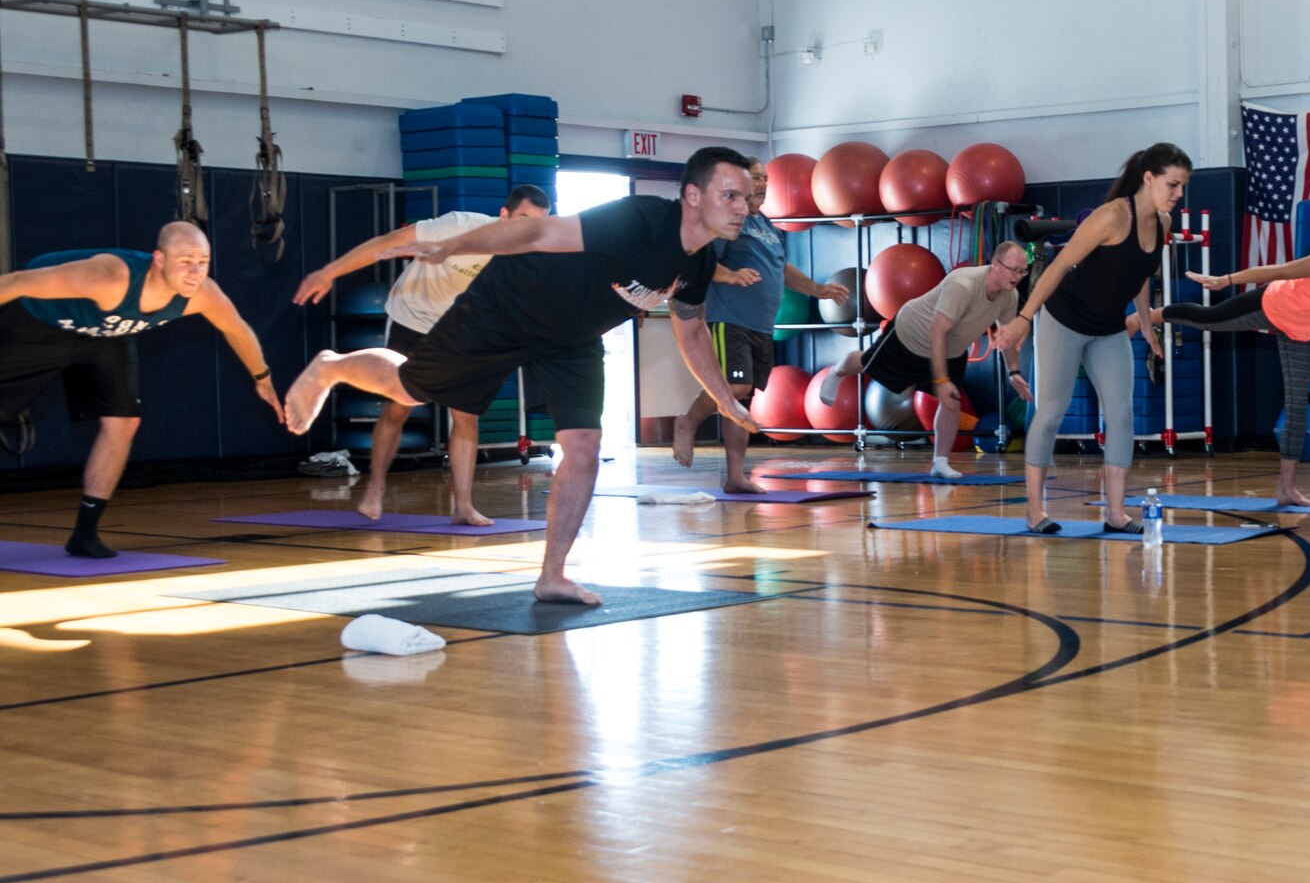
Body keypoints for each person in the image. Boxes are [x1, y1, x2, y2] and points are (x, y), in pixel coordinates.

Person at [282, 147, 760, 605]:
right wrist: (451, 246)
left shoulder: (697, 264)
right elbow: (535, 236)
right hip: (506, 309)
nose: (743, 207)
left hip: (573, 340)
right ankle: (330, 366)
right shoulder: (639, 220)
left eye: (745, 197)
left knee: (584, 449)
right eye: (730, 196)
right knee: (409, 387)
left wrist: (724, 400)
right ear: (693, 196)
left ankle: (552, 576)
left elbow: (692, 332)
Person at [0, 222, 284, 557]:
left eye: (203, 262)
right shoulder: (109, 278)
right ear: (159, 260)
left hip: (107, 337)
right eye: (185, 261)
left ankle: (85, 534)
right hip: (39, 323)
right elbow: (15, 282)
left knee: (123, 422)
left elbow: (237, 329)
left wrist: (262, 378)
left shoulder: (202, 294)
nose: (195, 272)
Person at [291, 184, 551, 523]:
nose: (526, 229)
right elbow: (387, 243)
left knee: (466, 416)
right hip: (412, 316)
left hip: (460, 329)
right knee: (399, 406)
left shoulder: (526, 256)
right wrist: (329, 272)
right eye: (523, 219)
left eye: (536, 223)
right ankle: (375, 489)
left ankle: (463, 506)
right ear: (504, 215)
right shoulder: (460, 225)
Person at [992, 142, 1189, 533]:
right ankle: (1035, 511)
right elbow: (1059, 265)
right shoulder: (1112, 217)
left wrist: (1147, 325)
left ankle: (1116, 513)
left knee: (1121, 414)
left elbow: (1139, 275)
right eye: (1172, 184)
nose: (1178, 194)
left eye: (1183, 186)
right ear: (1148, 179)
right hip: (1063, 319)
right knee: (1050, 413)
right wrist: (1024, 319)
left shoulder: (1163, 223)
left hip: (1108, 326)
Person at [1143, 213, 1310, 509]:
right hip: (1276, 304)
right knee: (1210, 319)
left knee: (1298, 403)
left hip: (1303, 329)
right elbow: (1284, 270)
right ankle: (1146, 315)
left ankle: (1287, 489)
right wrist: (1227, 280)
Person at [672, 158, 845, 493]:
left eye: (766, 178)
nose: (763, 183)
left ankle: (736, 477)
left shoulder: (765, 224)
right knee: (734, 389)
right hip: (729, 318)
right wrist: (731, 276)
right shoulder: (728, 221)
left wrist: (817, 290)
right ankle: (688, 422)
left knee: (744, 400)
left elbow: (781, 268)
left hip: (761, 325)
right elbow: (702, 261)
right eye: (756, 177)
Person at [818, 243, 1036, 479]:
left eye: (1021, 271)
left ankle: (940, 463)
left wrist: (1014, 372)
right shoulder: (963, 284)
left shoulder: (1009, 296)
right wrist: (941, 379)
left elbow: (1007, 336)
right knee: (866, 364)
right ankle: (837, 372)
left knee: (951, 401)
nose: (1017, 277)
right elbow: (937, 330)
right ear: (995, 264)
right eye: (1013, 269)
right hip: (911, 334)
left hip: (951, 349)